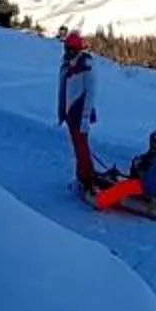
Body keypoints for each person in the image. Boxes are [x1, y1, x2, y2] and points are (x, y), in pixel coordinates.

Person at [92, 130, 156, 218]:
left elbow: (149, 180)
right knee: (138, 164)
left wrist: (140, 171)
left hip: (153, 188)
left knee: (123, 187)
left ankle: (100, 201)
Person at [57, 31, 101, 194]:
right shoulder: (66, 66)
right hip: (70, 114)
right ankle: (81, 176)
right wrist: (62, 111)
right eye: (66, 48)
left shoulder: (86, 65)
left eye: (71, 49)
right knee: (78, 147)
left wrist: (85, 117)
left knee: (81, 148)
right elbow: (63, 91)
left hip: (80, 113)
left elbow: (91, 93)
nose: (68, 52)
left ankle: (88, 179)